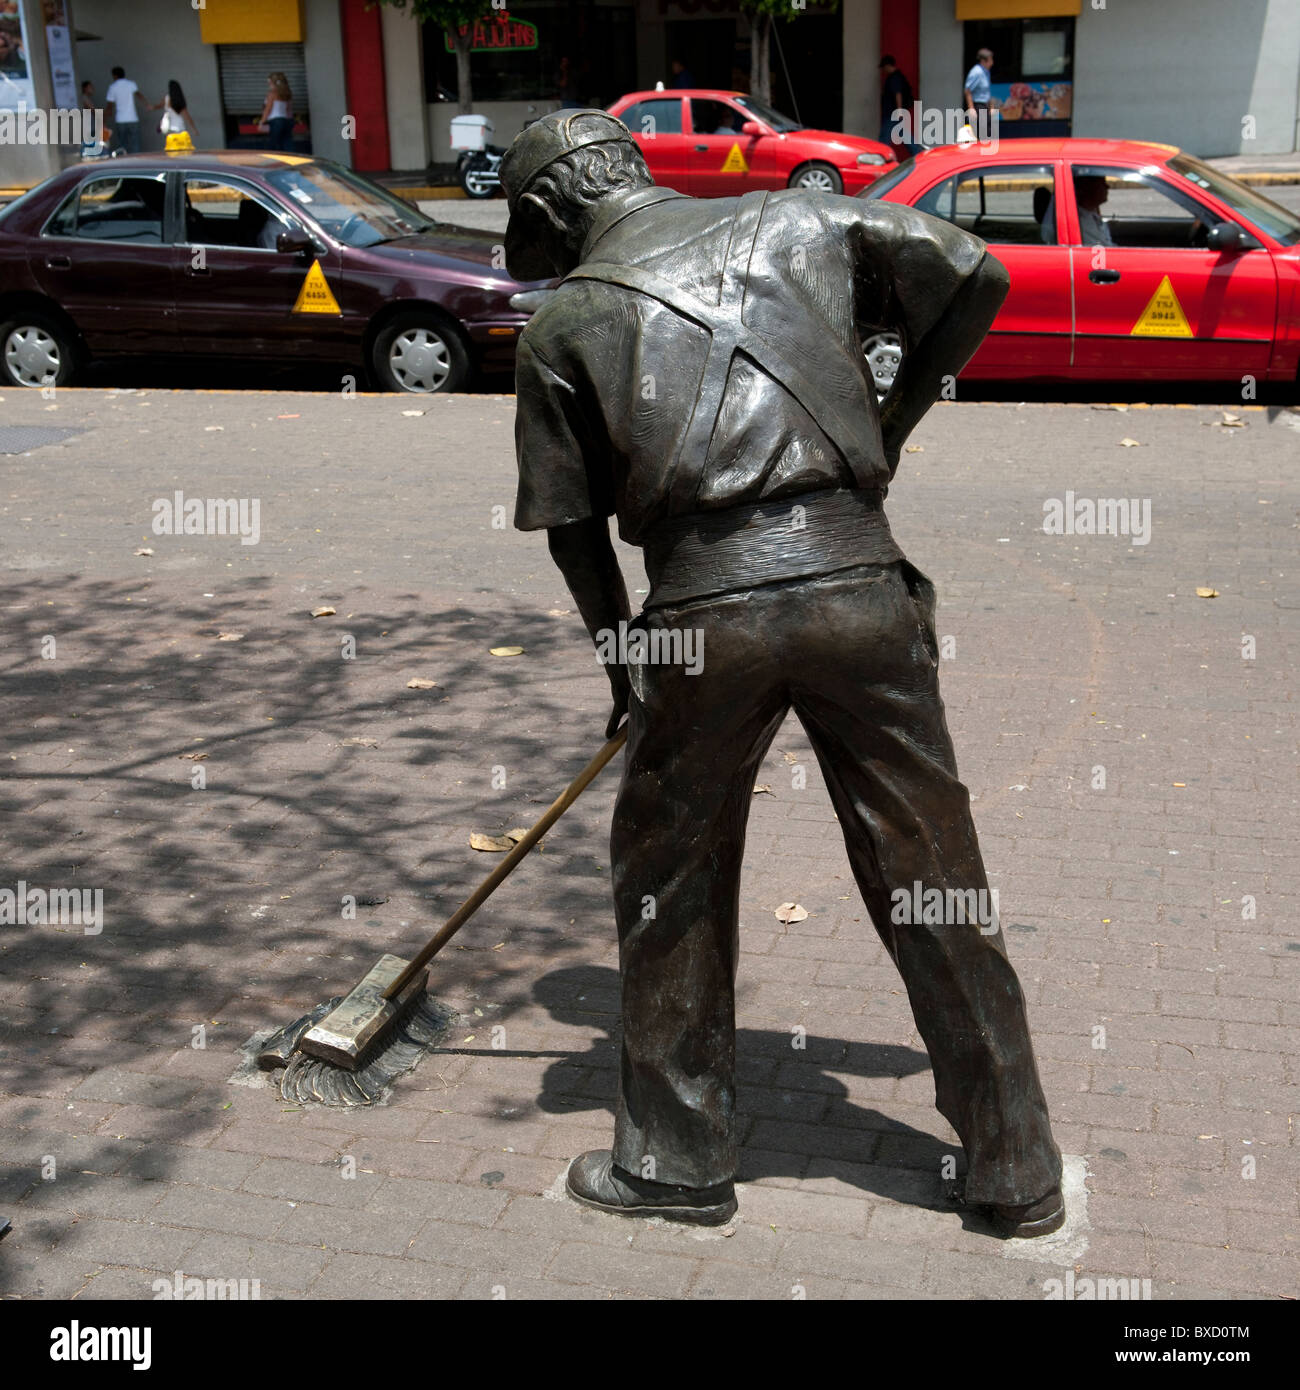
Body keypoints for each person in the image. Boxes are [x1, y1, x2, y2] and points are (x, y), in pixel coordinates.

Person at [500, 111, 1065, 1235]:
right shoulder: (797, 216)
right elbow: (974, 269)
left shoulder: (563, 323)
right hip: (862, 590)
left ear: (554, 211)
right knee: (931, 865)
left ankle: (674, 1155)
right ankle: (1015, 1162)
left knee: (668, 877)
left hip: (702, 615)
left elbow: (573, 531)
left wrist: (626, 660)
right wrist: (888, 426)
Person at [1041, 174, 1113, 246]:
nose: (1107, 186)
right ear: (1086, 188)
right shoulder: (1080, 223)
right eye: (1102, 183)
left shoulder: (1091, 214)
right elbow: (1103, 250)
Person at [878, 53, 914, 154]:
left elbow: (898, 94)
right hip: (894, 112)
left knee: (884, 137)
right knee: (904, 135)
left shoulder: (894, 78)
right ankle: (918, 152)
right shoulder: (897, 76)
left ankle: (881, 157)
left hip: (892, 113)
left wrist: (899, 111)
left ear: (888, 66)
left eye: (884, 67)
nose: (883, 70)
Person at [105, 65, 143, 154]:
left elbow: (110, 105)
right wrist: (148, 105)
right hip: (133, 118)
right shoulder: (131, 84)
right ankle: (137, 162)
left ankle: (123, 163)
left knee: (122, 144)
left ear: (115, 75)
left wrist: (105, 117)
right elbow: (139, 95)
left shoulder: (113, 87)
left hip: (120, 120)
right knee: (135, 144)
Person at [258, 72, 294, 151]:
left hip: (276, 121)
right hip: (286, 121)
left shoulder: (272, 94)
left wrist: (262, 121)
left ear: (273, 83)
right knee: (286, 145)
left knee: (273, 146)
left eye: (269, 82)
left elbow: (268, 109)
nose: (268, 85)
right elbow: (289, 109)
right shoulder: (287, 93)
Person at [963, 47, 994, 137]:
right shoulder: (976, 72)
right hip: (978, 105)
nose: (992, 63)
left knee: (987, 133)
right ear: (983, 61)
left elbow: (987, 91)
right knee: (980, 133)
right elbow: (967, 90)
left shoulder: (986, 72)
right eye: (990, 60)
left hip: (985, 105)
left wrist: (991, 107)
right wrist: (971, 108)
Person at [157, 79, 198, 145]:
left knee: (171, 148)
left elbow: (158, 106)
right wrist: (194, 129)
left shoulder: (166, 98)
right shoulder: (178, 100)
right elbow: (187, 117)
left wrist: (150, 106)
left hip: (169, 129)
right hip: (179, 128)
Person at [79, 78, 111, 158]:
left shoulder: (87, 98)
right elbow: (93, 111)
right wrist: (105, 114)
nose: (92, 89)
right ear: (85, 88)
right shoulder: (84, 98)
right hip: (89, 127)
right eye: (90, 87)